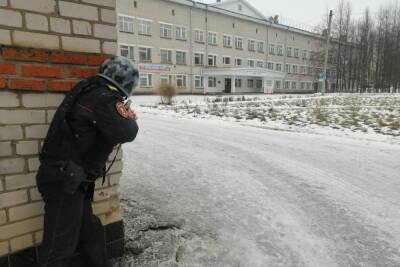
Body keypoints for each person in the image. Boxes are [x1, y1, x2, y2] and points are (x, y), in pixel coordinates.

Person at [35, 56, 139, 267]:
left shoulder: (90, 91)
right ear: (126, 81)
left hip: (70, 178)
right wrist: (128, 116)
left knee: (89, 229)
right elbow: (127, 131)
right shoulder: (104, 97)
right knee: (59, 248)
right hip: (65, 179)